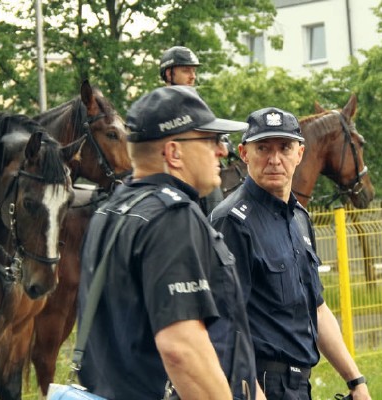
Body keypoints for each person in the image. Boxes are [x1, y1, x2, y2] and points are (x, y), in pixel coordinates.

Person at [77, 85, 265, 400]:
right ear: (174, 152)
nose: (222, 150)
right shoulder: (172, 217)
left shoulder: (110, 211)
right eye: (210, 139)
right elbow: (182, 349)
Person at [210, 107, 371, 400]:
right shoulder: (232, 221)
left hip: (298, 385)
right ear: (245, 154)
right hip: (257, 383)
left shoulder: (299, 217)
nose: (274, 159)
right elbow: (226, 326)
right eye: (263, 148)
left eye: (284, 148)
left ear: (300, 154)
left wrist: (355, 380)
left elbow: (317, 308)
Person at [159, 44, 227, 214]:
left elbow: (209, 127)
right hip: (173, 172)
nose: (193, 76)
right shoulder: (159, 105)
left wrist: (223, 139)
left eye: (194, 71)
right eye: (186, 71)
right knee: (213, 190)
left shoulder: (195, 101)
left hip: (196, 164)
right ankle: (214, 233)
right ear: (169, 73)